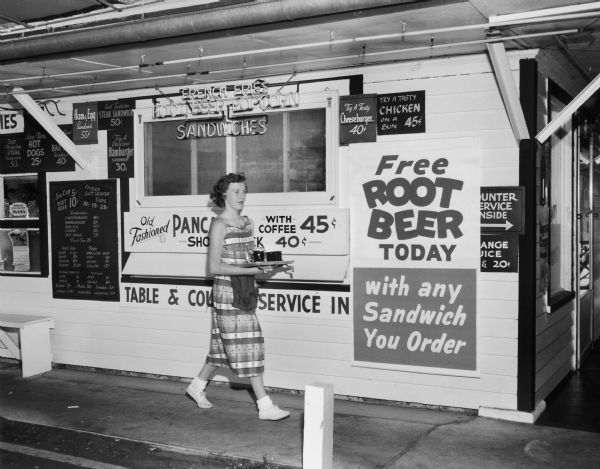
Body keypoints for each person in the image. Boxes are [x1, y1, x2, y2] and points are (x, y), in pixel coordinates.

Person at [186, 173, 290, 421]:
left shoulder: (247, 222)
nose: (241, 195)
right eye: (236, 191)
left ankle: (197, 386)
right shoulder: (219, 224)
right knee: (251, 342)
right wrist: (254, 270)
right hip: (226, 291)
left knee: (221, 348)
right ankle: (265, 406)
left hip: (244, 287)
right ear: (223, 194)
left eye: (244, 190)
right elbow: (214, 267)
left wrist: (272, 264)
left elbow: (249, 257)